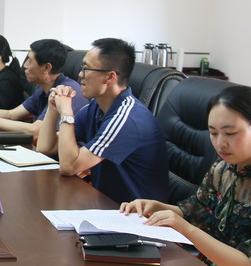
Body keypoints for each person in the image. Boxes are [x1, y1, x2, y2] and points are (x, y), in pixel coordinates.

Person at [120, 85, 251, 266]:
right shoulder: (224, 168)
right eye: (213, 133)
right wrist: (155, 207)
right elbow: (194, 212)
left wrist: (186, 229)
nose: (220, 143)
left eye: (230, 133)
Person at [37, 37, 169, 204]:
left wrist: (66, 113)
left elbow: (69, 167)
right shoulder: (96, 107)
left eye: (86, 69)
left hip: (135, 213)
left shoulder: (126, 118)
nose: (80, 75)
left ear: (110, 77)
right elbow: (45, 147)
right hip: (104, 202)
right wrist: (53, 108)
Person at [0, 39, 86, 141]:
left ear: (46, 68)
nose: (25, 65)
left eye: (30, 61)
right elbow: (12, 114)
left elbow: (36, 130)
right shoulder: (42, 90)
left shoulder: (67, 92)